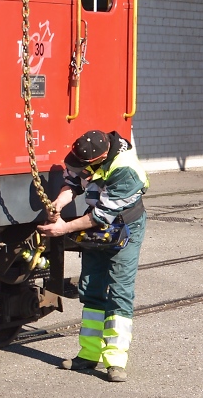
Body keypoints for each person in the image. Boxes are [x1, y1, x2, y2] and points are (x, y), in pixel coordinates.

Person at [37, 129, 149, 382]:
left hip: (125, 227)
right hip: (98, 228)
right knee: (91, 288)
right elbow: (73, 182)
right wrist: (58, 204)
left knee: (119, 292)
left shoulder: (125, 171)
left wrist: (62, 228)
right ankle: (88, 354)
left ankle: (116, 361)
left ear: (100, 158)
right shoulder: (85, 152)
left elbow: (100, 216)